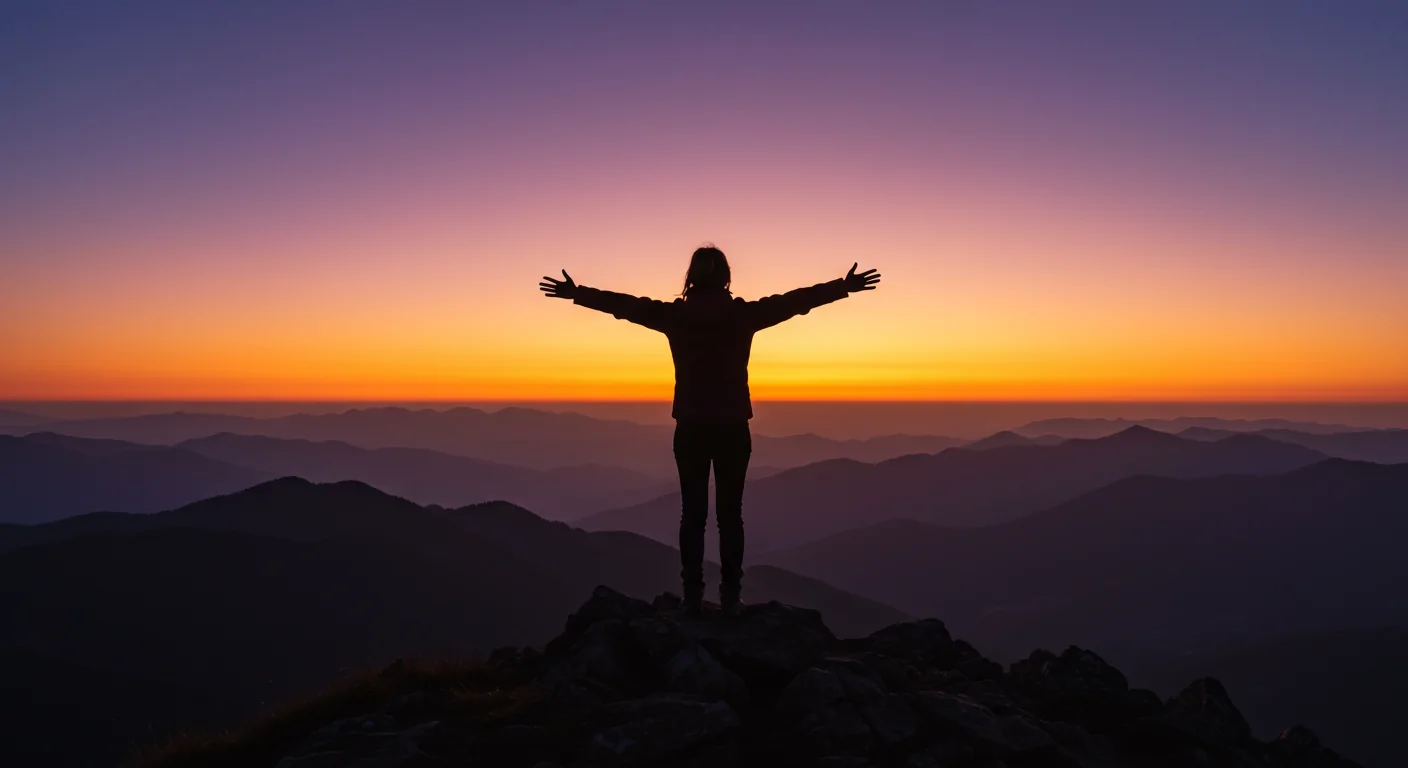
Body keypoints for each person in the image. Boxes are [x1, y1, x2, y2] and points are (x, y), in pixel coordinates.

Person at [539, 245, 881, 615]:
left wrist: (578, 294)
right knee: (731, 515)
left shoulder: (676, 317)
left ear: (691, 277)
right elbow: (792, 302)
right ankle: (731, 597)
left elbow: (626, 306)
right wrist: (841, 286)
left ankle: (692, 596)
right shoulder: (742, 316)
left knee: (693, 514)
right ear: (726, 278)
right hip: (734, 426)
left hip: (691, 427)